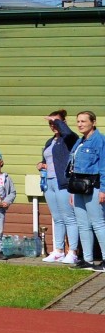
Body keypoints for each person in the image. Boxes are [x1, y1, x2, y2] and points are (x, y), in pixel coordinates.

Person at [39, 111, 80, 264]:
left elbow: (68, 133)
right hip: (49, 182)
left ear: (63, 122)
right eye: (51, 123)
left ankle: (73, 252)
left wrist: (58, 121)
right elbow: (47, 159)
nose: (53, 126)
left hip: (62, 182)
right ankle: (58, 251)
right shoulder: (50, 141)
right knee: (57, 218)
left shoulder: (69, 138)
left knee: (69, 217)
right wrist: (41, 164)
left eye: (56, 122)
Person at [68, 111, 105, 271]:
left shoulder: (100, 140)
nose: (80, 124)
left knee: (98, 223)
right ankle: (88, 260)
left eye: (83, 121)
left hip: (94, 187)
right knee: (83, 224)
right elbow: (73, 167)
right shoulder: (80, 141)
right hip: (78, 187)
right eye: (78, 121)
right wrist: (71, 191)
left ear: (93, 122)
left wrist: (103, 189)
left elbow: (104, 167)